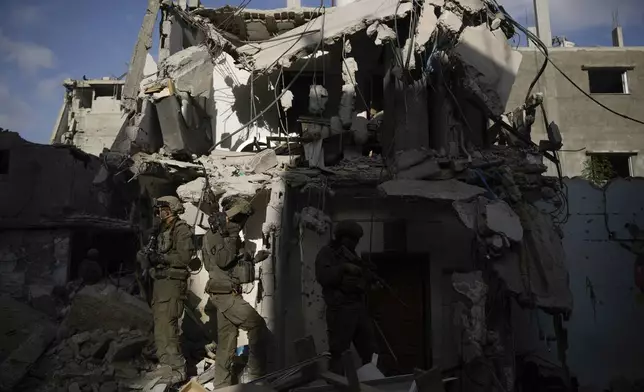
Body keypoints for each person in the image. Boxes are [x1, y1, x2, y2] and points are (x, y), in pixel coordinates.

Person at [202, 197, 271, 389]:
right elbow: (223, 260)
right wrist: (231, 235)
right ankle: (256, 376)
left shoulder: (228, 234)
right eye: (239, 217)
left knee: (227, 342)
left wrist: (254, 260)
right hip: (224, 294)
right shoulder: (216, 234)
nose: (241, 222)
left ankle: (222, 385)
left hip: (228, 293)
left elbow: (234, 267)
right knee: (257, 325)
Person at [138, 195, 194, 384]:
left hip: (173, 282)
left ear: (170, 209)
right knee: (160, 324)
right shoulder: (161, 230)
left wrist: (161, 259)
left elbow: (185, 259)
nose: (158, 213)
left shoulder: (181, 229)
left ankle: (177, 369)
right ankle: (166, 365)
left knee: (169, 325)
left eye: (161, 209)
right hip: (161, 282)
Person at [315, 220, 377, 375]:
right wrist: (343, 268)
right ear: (342, 238)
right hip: (340, 309)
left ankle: (371, 382)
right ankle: (337, 386)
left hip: (357, 308)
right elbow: (323, 276)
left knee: (371, 351)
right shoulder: (328, 253)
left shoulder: (353, 256)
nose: (355, 244)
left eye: (356, 240)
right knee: (339, 355)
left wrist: (368, 278)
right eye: (352, 240)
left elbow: (360, 282)